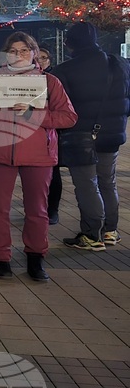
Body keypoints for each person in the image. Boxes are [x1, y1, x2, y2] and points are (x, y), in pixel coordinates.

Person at [0, 31, 77, 281]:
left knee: (37, 210)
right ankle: (1, 257)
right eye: (12, 51)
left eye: (24, 50)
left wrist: (34, 114)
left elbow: (69, 117)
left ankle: (36, 258)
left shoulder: (49, 82)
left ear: (34, 52)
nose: (18, 55)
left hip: (38, 155)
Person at [52, 22, 130, 251]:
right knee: (107, 182)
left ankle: (91, 235)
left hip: (80, 137)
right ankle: (110, 232)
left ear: (70, 43)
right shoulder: (120, 64)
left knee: (87, 184)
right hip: (113, 135)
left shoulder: (65, 70)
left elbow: (59, 106)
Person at [37, 47, 63, 226]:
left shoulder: (54, 80)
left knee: (54, 173)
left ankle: (52, 209)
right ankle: (37, 209)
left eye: (44, 58)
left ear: (50, 60)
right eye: (37, 58)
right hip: (30, 138)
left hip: (52, 134)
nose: (41, 61)